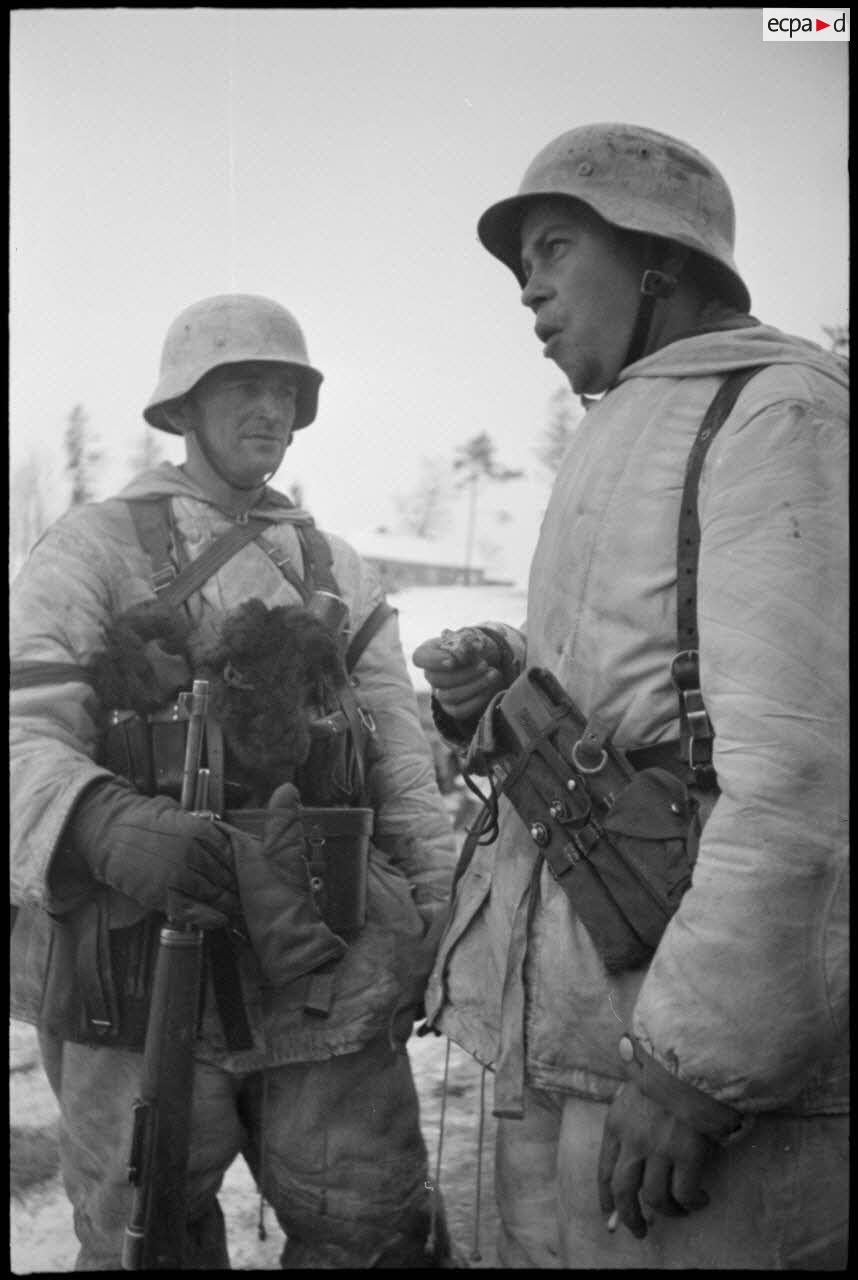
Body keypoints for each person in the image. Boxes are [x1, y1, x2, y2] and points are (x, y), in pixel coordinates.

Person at [413, 123, 848, 1269]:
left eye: (556, 247)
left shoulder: (778, 412)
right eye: (524, 266)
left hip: (693, 1080)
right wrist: (506, 678)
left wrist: (698, 1062)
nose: (529, 288)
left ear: (662, 255)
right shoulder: (635, 420)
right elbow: (648, 687)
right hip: (588, 1048)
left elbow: (805, 769)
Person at [10, 292, 459, 1269]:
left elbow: (397, 756)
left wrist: (438, 910)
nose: (270, 409)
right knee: (144, 1240)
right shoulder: (89, 549)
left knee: (372, 1232)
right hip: (142, 970)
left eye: (286, 392)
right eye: (243, 386)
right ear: (183, 407)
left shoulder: (339, 568)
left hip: (329, 971)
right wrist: (101, 822)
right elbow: (23, 733)